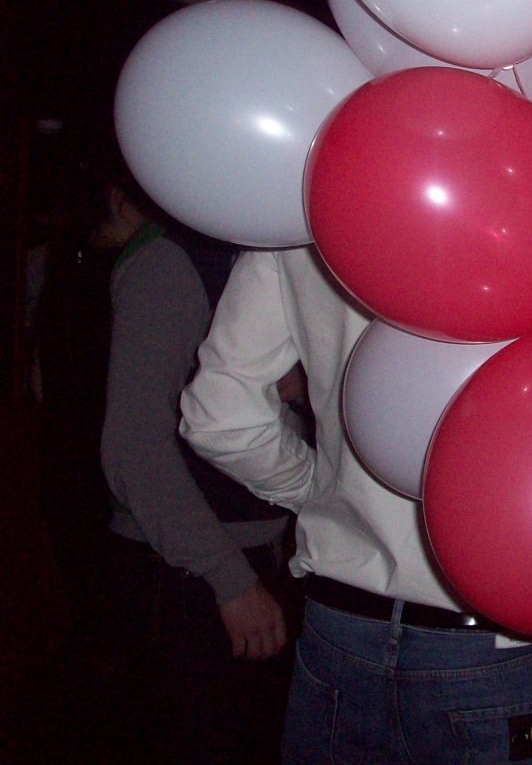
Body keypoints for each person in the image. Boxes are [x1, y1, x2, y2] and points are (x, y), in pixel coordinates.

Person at [179, 245, 532, 765]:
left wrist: (322, 492)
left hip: (341, 630)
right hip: (502, 639)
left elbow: (219, 417)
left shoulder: (297, 217)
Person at [97, 172, 294, 764]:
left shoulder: (241, 255)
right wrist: (229, 579)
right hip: (187, 574)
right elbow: (134, 447)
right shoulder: (171, 263)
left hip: (240, 560)